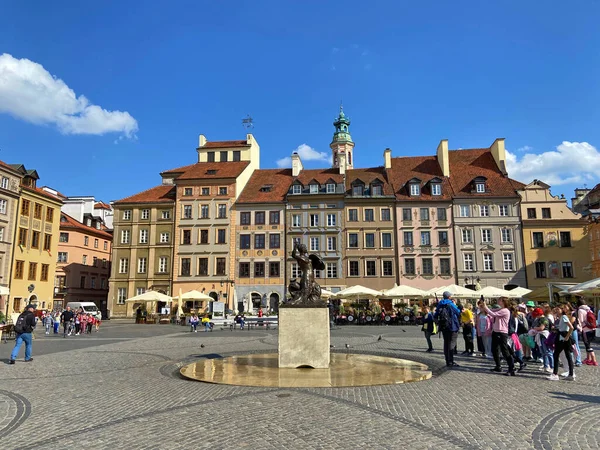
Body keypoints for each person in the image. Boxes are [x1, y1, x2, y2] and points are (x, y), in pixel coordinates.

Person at [481, 298, 516, 376]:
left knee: (505, 351)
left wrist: (485, 307)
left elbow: (493, 314)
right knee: (495, 349)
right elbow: (491, 311)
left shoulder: (505, 310)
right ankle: (498, 366)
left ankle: (511, 368)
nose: (498, 301)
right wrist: (484, 306)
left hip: (502, 332)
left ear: (503, 302)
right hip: (496, 331)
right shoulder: (500, 309)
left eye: (499, 300)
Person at [434, 291, 461, 368]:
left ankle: (447, 360)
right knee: (452, 343)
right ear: (449, 296)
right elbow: (458, 312)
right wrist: (455, 305)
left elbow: (436, 315)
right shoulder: (450, 304)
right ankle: (451, 361)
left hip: (443, 326)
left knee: (446, 343)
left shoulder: (440, 304)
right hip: (452, 326)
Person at [548, 303, 575, 381]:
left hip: (562, 338)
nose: (556, 310)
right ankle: (571, 374)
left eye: (558, 309)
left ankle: (555, 374)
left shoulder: (563, 317)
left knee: (556, 354)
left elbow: (571, 327)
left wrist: (567, 337)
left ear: (562, 310)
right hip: (563, 336)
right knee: (568, 355)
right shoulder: (561, 317)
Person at [576, 298, 598, 366]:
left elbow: (581, 320)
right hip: (592, 329)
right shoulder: (589, 309)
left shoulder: (580, 310)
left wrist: (579, 327)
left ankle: (594, 360)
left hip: (585, 330)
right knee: (588, 344)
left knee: (588, 345)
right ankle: (588, 358)